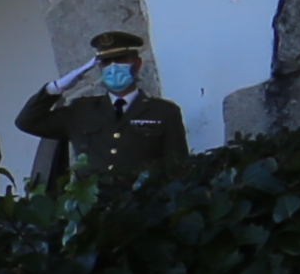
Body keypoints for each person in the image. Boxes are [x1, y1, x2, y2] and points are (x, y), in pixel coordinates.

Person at [14, 31, 192, 188]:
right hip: (93, 213)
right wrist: (56, 88)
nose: (113, 67)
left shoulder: (164, 112)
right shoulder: (81, 110)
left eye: (121, 60)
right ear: (100, 67)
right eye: (107, 62)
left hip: (143, 210)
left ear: (136, 63)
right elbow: (27, 122)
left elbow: (176, 167)